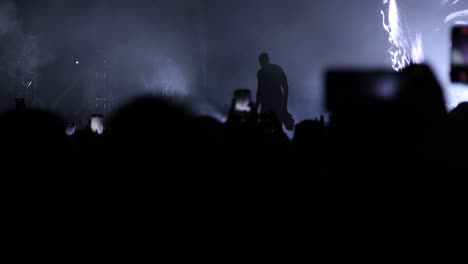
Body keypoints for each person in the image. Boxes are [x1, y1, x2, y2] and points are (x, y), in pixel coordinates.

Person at [255, 52, 294, 130]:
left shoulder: (261, 73)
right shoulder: (276, 69)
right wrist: (284, 105)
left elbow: (259, 91)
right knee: (277, 128)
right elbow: (285, 87)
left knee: (267, 128)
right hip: (276, 103)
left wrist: (256, 106)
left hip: (268, 104)